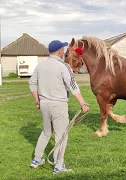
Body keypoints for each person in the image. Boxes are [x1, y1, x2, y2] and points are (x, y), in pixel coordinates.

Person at [28, 40, 90, 174]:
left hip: (44, 105)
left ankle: (37, 159)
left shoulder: (40, 66)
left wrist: (37, 101)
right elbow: (72, 85)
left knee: (46, 133)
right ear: (60, 51)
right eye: (63, 49)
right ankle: (58, 166)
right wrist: (83, 102)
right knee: (61, 135)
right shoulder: (64, 66)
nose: (64, 52)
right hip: (59, 105)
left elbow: (32, 83)